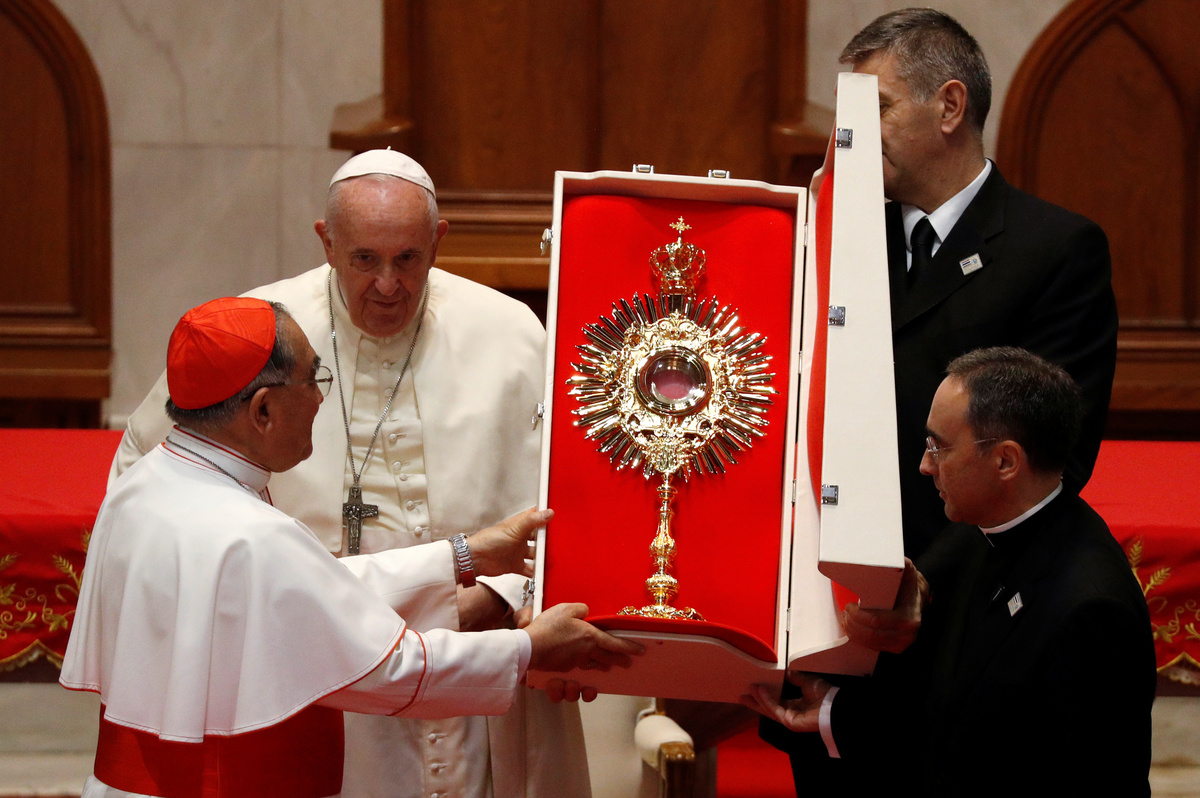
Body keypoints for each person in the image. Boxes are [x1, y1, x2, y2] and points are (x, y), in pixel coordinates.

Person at [109, 151, 589, 797]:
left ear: (438, 241)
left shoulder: (510, 333)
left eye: (408, 259)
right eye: (365, 259)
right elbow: (155, 477)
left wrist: (502, 595)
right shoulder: (258, 333)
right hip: (311, 676)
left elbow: (565, 498)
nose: (388, 285)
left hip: (482, 657)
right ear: (326, 242)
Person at [62, 297, 641, 798]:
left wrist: (463, 555)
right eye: (313, 381)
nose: (321, 401)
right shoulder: (248, 532)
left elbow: (307, 595)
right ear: (262, 409)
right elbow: (392, 669)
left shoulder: (146, 485)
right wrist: (529, 649)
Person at [747, 347, 1155, 796]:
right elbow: (957, 722)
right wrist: (833, 712)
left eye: (938, 447)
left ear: (1006, 461)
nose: (925, 466)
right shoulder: (980, 530)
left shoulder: (1089, 612)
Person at [838, 7, 1119, 558]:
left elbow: (1049, 463)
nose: (847, 134)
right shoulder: (841, 236)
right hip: (833, 566)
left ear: (949, 106)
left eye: (877, 109)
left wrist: (928, 580)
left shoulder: (1057, 249)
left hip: (968, 582)